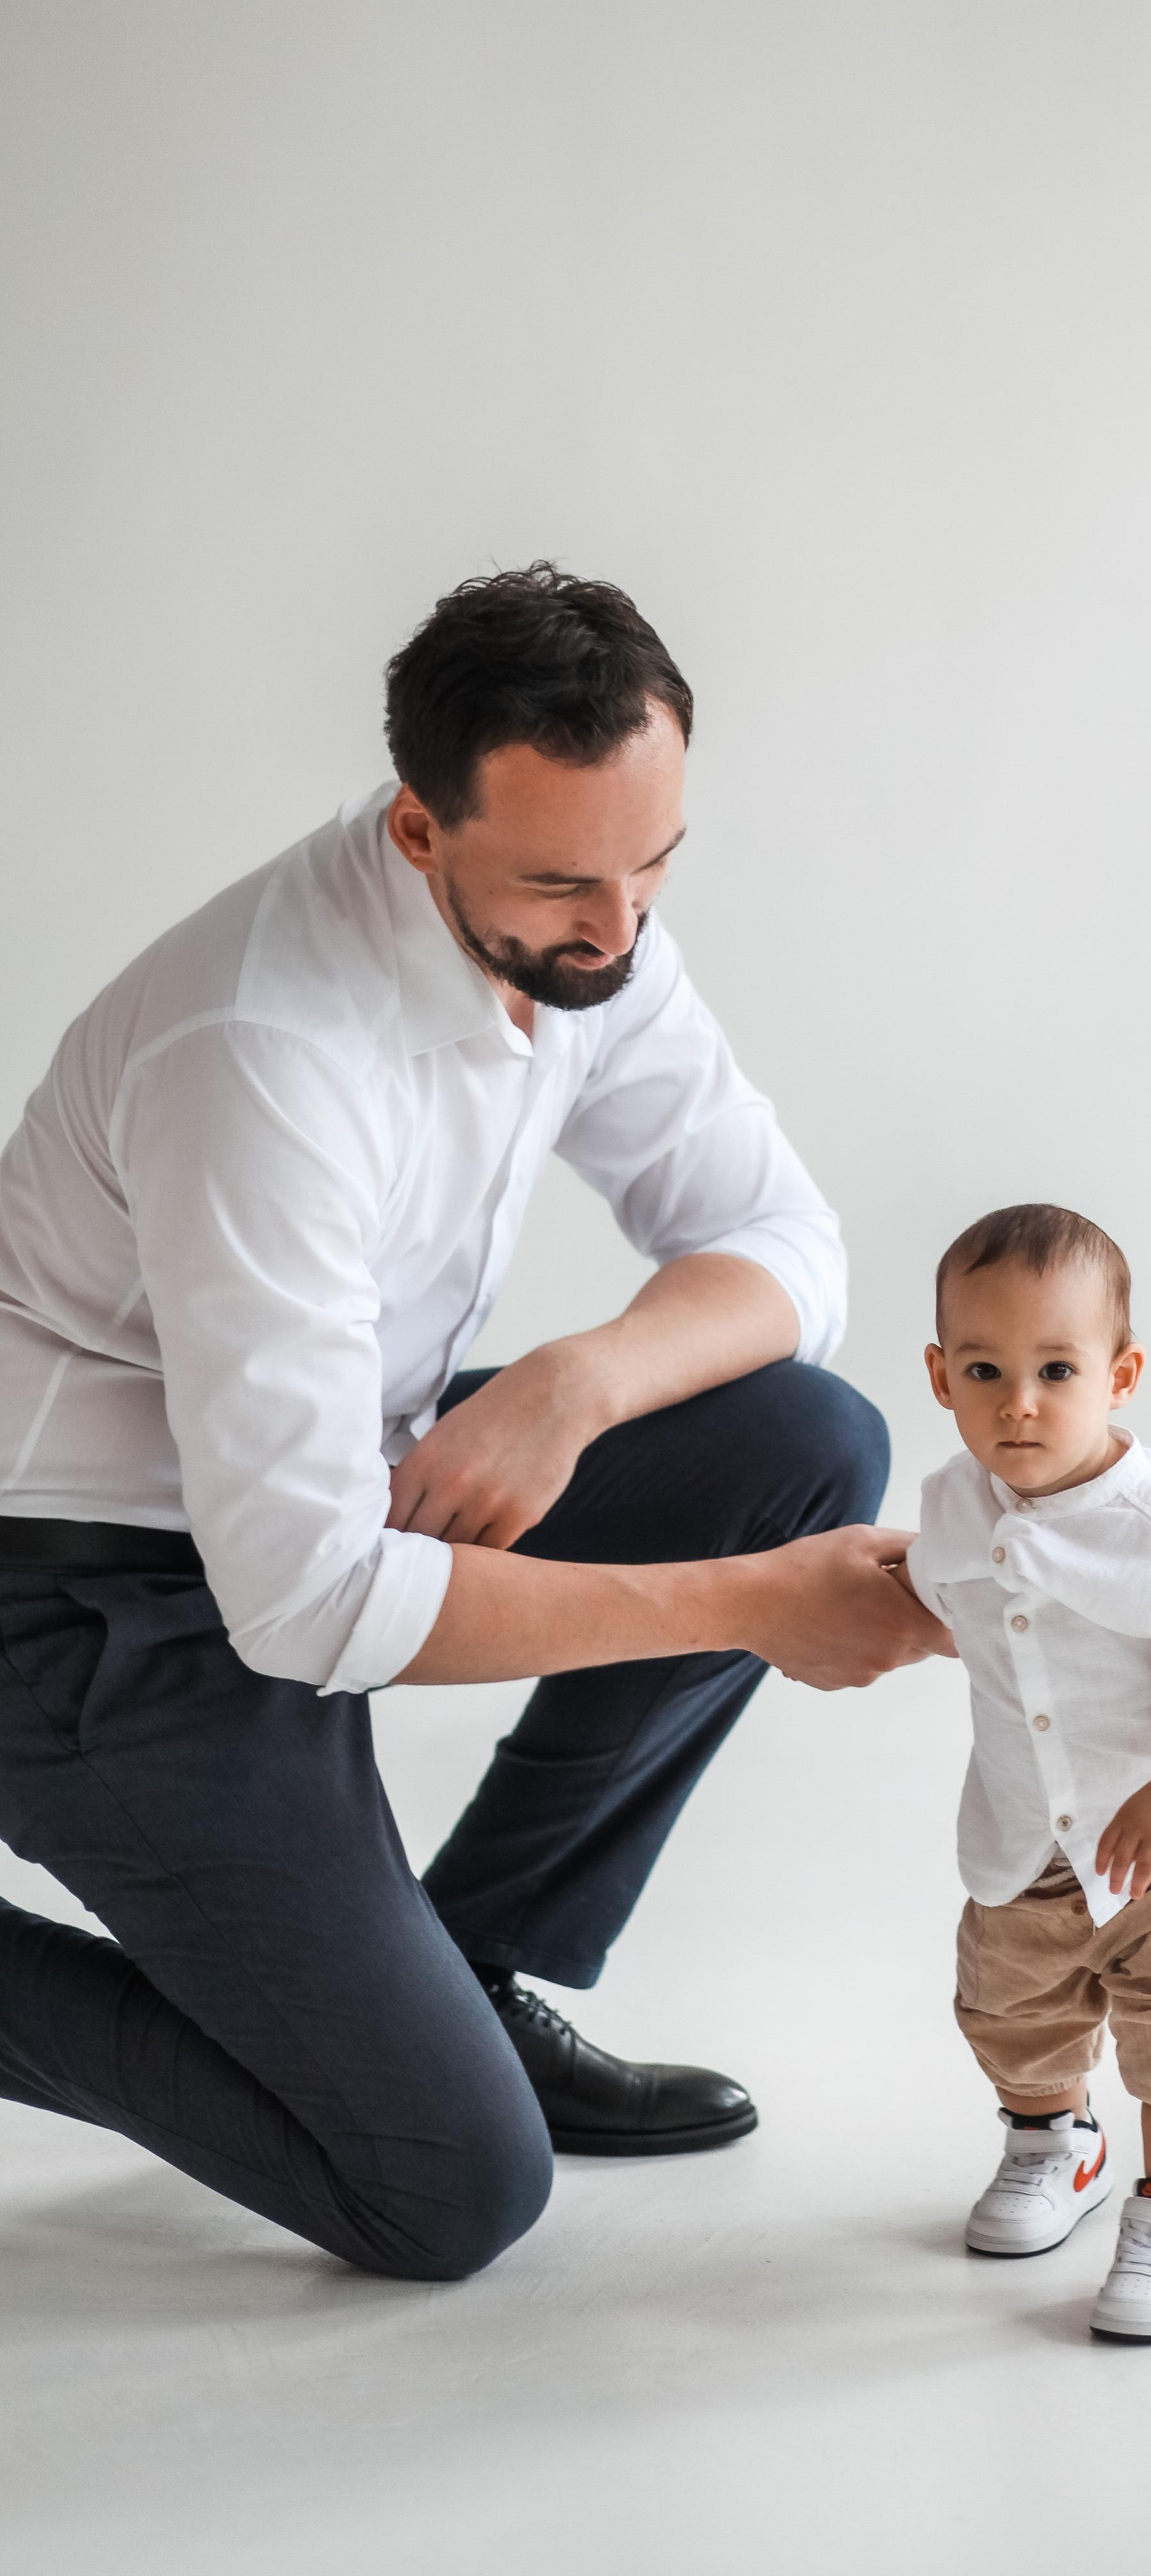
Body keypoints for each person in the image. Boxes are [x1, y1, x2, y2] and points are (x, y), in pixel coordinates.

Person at [0, 563, 944, 2283]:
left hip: (320, 1495)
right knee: (441, 2192)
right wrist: (754, 1608)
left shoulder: (589, 920)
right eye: (566, 882)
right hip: (86, 1605)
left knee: (795, 1439)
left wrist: (568, 1381)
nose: (620, 930)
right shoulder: (259, 1053)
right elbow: (307, 1608)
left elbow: (789, 1253)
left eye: (655, 863)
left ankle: (473, 1963)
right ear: (421, 837)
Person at [899, 1203, 1151, 2342]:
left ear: (1120, 1374)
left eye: (1056, 1368)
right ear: (939, 1376)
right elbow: (949, 1595)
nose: (1019, 1401)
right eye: (985, 1368)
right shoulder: (953, 1503)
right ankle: (1053, 2142)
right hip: (1026, 1826)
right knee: (1011, 2007)